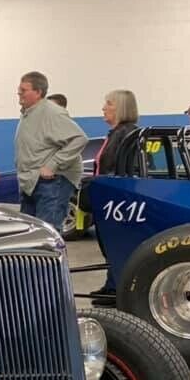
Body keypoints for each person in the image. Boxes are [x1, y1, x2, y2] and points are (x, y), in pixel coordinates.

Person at [15, 71, 88, 231]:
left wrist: (53, 164)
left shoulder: (51, 112)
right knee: (29, 236)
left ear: (38, 92)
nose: (19, 93)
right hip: (32, 182)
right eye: (19, 89)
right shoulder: (29, 112)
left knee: (46, 236)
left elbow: (79, 139)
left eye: (24, 90)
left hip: (52, 183)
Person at [89, 89, 140, 306]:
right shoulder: (116, 133)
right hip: (108, 198)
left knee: (118, 244)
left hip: (116, 200)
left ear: (120, 108)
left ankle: (118, 289)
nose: (103, 107)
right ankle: (111, 284)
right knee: (109, 245)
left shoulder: (126, 134)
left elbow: (123, 170)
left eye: (108, 103)